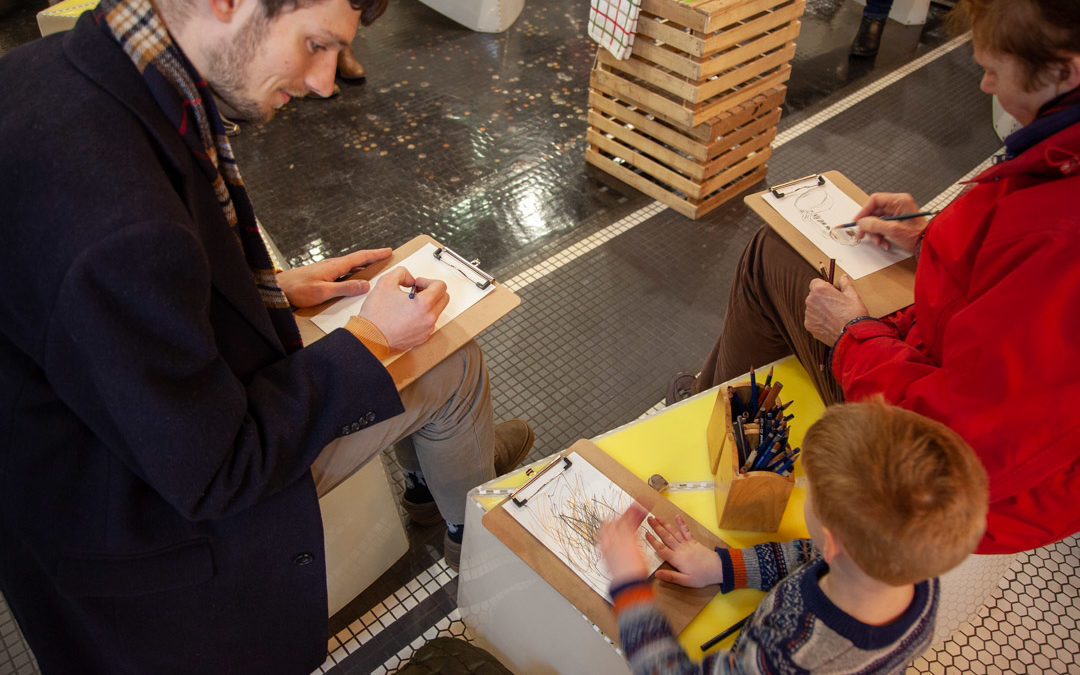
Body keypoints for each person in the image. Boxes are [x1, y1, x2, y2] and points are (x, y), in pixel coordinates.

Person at [0, 0, 531, 671]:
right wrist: (366, 340)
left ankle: (442, 475)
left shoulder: (44, 76)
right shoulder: (122, 227)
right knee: (452, 364)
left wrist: (270, 286)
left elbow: (115, 319)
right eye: (315, 44)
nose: (326, 81)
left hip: (61, 474)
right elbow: (220, 470)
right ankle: (470, 535)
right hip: (149, 542)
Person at [671, 0, 1080, 556]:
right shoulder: (1060, 160)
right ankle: (733, 415)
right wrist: (931, 236)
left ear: (1064, 70)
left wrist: (851, 337)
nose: (983, 84)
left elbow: (953, 443)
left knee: (773, 251)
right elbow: (1007, 271)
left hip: (956, 485)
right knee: (788, 259)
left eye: (994, 68)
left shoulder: (1064, 243)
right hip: (946, 369)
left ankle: (736, 443)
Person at [599, 400, 988, 674]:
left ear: (833, 541)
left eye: (809, 489)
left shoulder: (790, 656)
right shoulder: (916, 575)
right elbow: (812, 554)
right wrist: (723, 565)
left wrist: (630, 584)